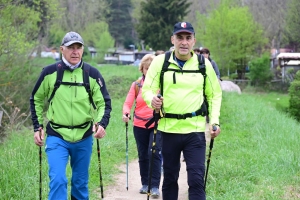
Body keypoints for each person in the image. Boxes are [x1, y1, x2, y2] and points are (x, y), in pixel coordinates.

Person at [142, 22, 222, 200]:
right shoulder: (160, 62)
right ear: (173, 40)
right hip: (168, 130)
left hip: (194, 131)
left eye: (188, 38)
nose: (184, 42)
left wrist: (214, 121)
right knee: (170, 178)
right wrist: (152, 100)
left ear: (194, 41)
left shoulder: (204, 64)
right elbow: (146, 89)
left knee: (196, 179)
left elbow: (215, 94)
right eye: (180, 38)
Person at [30, 31, 112, 200]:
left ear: (83, 50)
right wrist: (37, 127)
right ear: (62, 49)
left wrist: (101, 123)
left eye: (79, 48)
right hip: (57, 135)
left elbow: (104, 102)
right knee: (58, 180)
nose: (75, 52)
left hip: (84, 136)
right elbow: (36, 99)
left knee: (80, 183)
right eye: (71, 48)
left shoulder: (92, 74)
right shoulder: (49, 73)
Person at [122, 54, 162, 198]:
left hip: (157, 123)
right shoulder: (137, 85)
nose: (149, 70)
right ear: (142, 69)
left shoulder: (161, 85)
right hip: (139, 124)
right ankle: (145, 184)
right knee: (143, 154)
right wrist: (126, 113)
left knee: (154, 152)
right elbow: (128, 103)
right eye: (146, 68)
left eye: (152, 68)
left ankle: (155, 186)